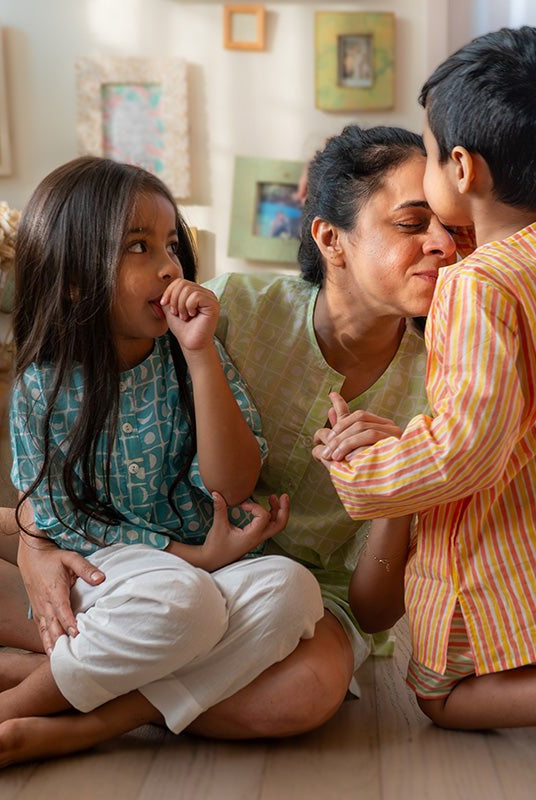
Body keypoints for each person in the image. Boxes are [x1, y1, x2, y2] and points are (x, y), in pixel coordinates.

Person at [0, 125, 457, 754]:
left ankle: (79, 706)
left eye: (453, 229)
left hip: (294, 593)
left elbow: (376, 614)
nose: (444, 245)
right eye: (413, 223)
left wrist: (397, 485)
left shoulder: (451, 381)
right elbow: (52, 499)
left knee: (300, 693)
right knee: (62, 552)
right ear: (330, 238)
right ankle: (100, 662)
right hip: (171, 558)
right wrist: (35, 550)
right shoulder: (229, 308)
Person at [0, 155, 323, 766]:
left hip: (203, 571)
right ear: (73, 279)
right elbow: (59, 520)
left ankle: (75, 690)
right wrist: (196, 558)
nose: (170, 265)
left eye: (171, 243)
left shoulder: (191, 355)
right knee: (186, 603)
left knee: (292, 590)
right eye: (139, 247)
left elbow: (233, 483)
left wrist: (201, 357)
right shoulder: (45, 385)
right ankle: (19, 712)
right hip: (114, 570)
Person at [314, 26, 536, 731]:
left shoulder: (476, 288)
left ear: (464, 169)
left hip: (497, 533)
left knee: (438, 694)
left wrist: (368, 471)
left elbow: (466, 447)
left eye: (433, 153)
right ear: (330, 241)